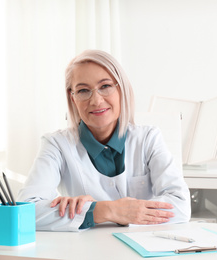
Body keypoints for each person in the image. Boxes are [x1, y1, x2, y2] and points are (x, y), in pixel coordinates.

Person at [18, 49, 191, 231]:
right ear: (73, 98)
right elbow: (24, 213)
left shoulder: (148, 138)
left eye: (105, 86)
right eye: (83, 90)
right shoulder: (56, 144)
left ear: (121, 89)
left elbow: (180, 205)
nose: (96, 101)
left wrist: (86, 211)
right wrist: (105, 210)